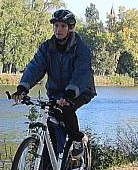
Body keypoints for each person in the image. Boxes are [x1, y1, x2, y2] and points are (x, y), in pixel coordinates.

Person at [12, 9, 96, 156]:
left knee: (67, 108)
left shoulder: (80, 49)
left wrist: (70, 93)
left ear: (70, 28)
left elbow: (82, 73)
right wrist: (22, 88)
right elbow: (35, 67)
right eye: (56, 26)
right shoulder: (47, 47)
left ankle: (77, 140)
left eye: (63, 26)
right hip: (56, 93)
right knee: (51, 124)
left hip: (80, 90)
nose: (58, 30)